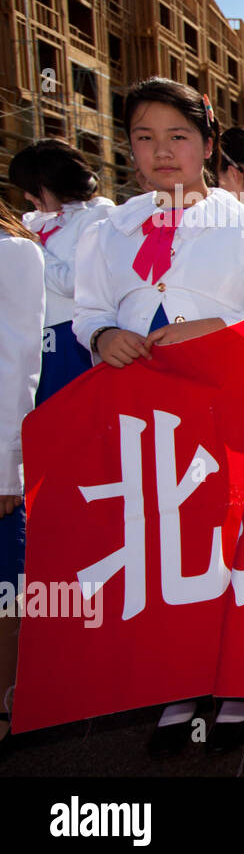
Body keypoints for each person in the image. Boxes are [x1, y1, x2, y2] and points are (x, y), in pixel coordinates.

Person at [72, 77, 244, 759]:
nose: (162, 153)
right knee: (161, 544)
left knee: (229, 541)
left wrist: (215, 326)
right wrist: (102, 338)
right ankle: (176, 681)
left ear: (208, 145)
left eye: (179, 137)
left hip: (222, 409)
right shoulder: (112, 228)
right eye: (146, 138)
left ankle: (238, 681)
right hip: (141, 415)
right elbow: (90, 309)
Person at [8, 139, 114, 403]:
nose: (26, 197)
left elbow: (73, 282)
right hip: (32, 334)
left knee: (73, 415)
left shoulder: (98, 214)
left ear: (51, 183)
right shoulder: (32, 221)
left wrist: (32, 249)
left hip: (71, 337)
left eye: (32, 189)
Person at [0, 203, 43, 758]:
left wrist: (8, 462)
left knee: (5, 589)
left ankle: (9, 698)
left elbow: (18, 363)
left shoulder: (13, 253)